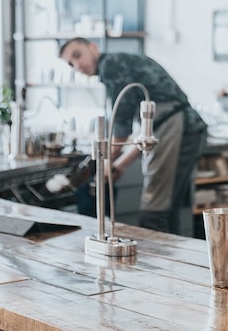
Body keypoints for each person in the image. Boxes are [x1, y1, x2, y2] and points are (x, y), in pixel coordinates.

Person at [59, 37, 208, 235]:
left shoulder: (111, 66)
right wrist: (119, 164)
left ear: (93, 48)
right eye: (71, 64)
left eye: (78, 55)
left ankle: (159, 263)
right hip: (183, 129)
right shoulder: (120, 62)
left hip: (179, 128)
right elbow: (146, 133)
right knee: (165, 209)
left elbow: (121, 129)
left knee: (154, 212)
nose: (77, 65)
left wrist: (104, 165)